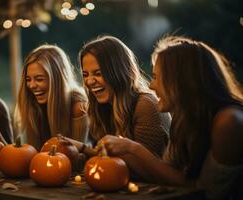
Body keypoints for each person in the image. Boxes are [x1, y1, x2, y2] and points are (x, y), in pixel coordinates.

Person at [101, 36, 243, 199]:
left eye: (156, 77)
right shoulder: (184, 117)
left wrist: (134, 149)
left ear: (181, 80)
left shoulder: (229, 121)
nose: (151, 85)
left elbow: (205, 190)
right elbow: (175, 175)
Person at [66, 35, 170, 163]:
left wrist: (84, 149)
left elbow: (148, 167)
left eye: (98, 73)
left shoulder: (146, 104)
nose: (89, 81)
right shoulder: (102, 107)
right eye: (85, 74)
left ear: (118, 72)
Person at [14, 44, 89, 150]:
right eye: (28, 79)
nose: (32, 85)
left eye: (39, 79)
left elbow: (76, 157)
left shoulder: (78, 107)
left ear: (57, 80)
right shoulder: (32, 104)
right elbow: (33, 152)